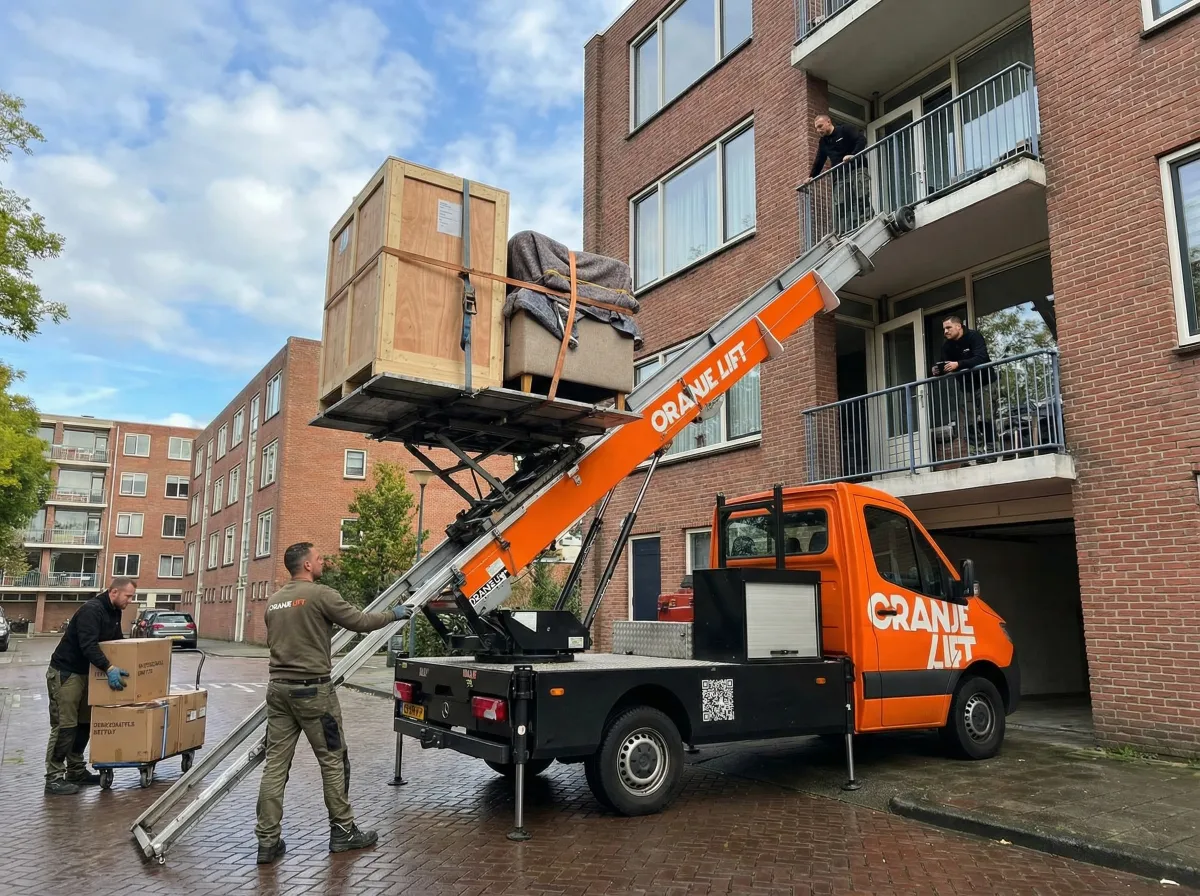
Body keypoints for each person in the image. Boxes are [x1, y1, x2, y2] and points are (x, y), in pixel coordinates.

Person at [254, 542, 413, 864]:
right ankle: (343, 831)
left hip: (279, 691)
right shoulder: (320, 594)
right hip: (313, 694)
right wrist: (393, 615)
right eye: (319, 557)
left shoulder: (274, 601)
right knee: (333, 761)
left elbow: (275, 640)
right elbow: (359, 622)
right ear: (307, 566)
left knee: (275, 766)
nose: (323, 560)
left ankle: (267, 842)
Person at [44, 577, 136, 795]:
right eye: (128, 596)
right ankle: (54, 777)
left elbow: (116, 642)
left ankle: (76, 771)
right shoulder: (91, 610)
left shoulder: (114, 611)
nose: (130, 601)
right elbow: (88, 645)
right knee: (65, 726)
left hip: (87, 674)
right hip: (66, 673)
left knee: (84, 723)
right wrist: (109, 667)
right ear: (114, 592)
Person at [932, 315, 997, 456]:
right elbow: (944, 364)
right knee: (969, 420)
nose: (945, 332)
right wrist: (938, 370)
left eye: (948, 328)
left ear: (958, 326)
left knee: (987, 416)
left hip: (985, 382)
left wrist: (958, 364)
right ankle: (975, 451)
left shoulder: (973, 336)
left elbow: (981, 357)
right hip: (966, 386)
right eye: (944, 329)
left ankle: (992, 449)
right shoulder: (947, 345)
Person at [801, 113, 871, 233]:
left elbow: (861, 140)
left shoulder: (845, 130)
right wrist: (811, 177)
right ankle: (846, 230)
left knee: (861, 195)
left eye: (820, 126)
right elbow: (819, 160)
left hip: (856, 168)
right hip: (840, 175)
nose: (819, 130)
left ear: (829, 122)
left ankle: (866, 220)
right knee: (842, 202)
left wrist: (853, 154)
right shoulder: (823, 142)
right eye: (817, 128)